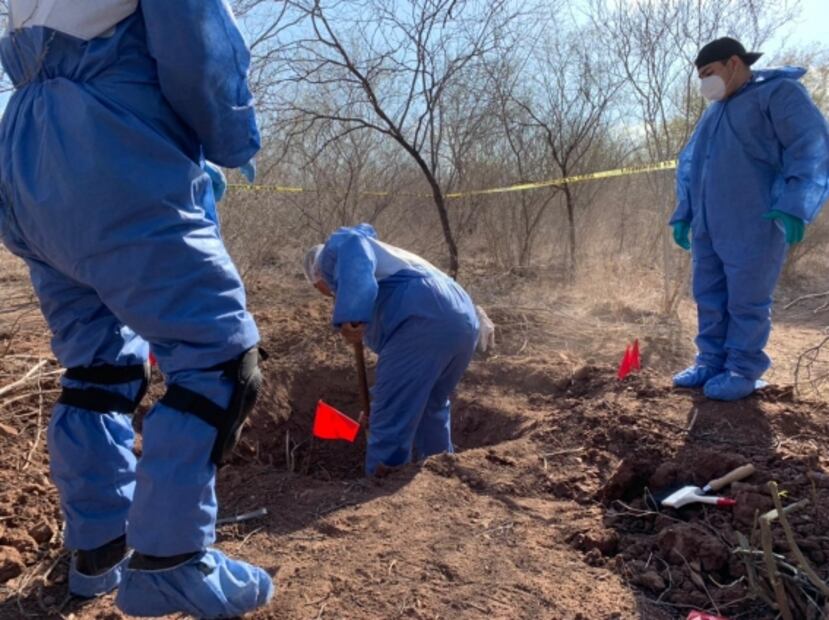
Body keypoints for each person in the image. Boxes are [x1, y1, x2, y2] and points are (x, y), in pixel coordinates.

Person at [0, 2, 273, 617]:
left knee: (100, 370)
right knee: (222, 358)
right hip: (109, 152)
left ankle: (100, 552)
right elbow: (200, 49)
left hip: (25, 166)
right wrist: (233, 141)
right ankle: (171, 563)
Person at [670, 37, 829, 401]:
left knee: (746, 300)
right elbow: (692, 165)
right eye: (700, 76)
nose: (705, 83)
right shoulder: (715, 112)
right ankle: (711, 361)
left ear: (735, 64)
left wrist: (794, 204)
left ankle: (742, 368)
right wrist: (685, 213)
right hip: (708, 225)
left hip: (753, 220)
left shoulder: (779, 94)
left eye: (709, 72)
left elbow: (811, 146)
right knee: (709, 295)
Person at [303, 224, 485, 475]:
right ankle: (440, 477)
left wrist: (351, 313)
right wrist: (380, 405)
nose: (328, 295)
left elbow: (353, 243)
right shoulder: (387, 261)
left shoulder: (332, 256)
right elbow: (405, 372)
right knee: (431, 404)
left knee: (390, 424)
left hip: (424, 316)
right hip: (461, 316)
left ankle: (379, 490)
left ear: (317, 277)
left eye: (321, 290)